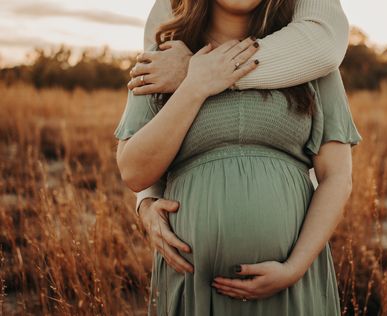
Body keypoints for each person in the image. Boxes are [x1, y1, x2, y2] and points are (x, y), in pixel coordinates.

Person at [114, 0, 362, 315]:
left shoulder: (308, 59)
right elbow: (134, 172)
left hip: (290, 283)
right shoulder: (164, 58)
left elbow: (337, 176)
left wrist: (295, 267)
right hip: (194, 283)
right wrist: (195, 84)